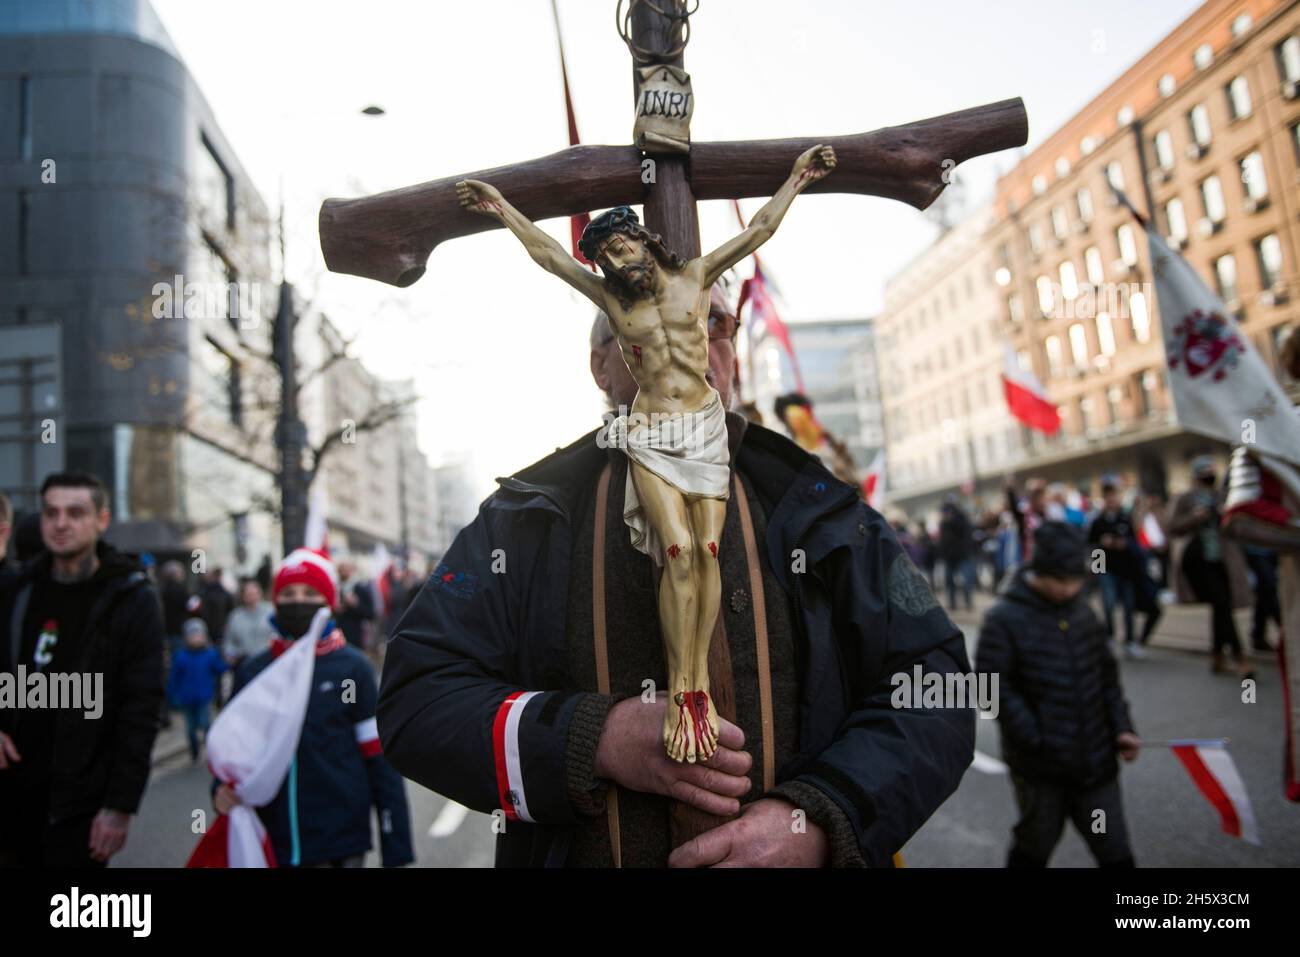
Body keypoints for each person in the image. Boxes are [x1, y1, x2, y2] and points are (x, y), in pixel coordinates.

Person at [378, 289, 975, 868]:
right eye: (648, 323)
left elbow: (937, 686)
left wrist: (820, 818)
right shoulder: (522, 520)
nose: (685, 343)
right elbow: (418, 697)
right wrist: (596, 737)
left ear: (733, 355)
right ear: (601, 365)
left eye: (711, 323)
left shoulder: (824, 511)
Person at [0, 471, 164, 867]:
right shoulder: (20, 588)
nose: (61, 524)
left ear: (101, 520)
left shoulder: (130, 599)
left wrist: (120, 806)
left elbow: (140, 709)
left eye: (75, 513)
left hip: (81, 807)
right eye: (51, 513)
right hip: (12, 800)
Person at [213, 549, 413, 868]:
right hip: (271, 839)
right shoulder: (254, 671)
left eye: (310, 593)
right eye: (289, 593)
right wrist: (219, 790)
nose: (298, 601)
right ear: (275, 601)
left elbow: (379, 759)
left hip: (341, 841)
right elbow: (232, 750)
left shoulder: (353, 668)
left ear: (329, 601)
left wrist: (396, 845)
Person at [976, 522, 1141, 867]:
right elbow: (992, 689)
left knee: (1115, 851)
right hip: (1041, 771)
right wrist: (1038, 739)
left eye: (1076, 580)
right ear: (1039, 572)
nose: (1070, 589)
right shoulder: (1003, 619)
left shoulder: (1083, 613)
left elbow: (1108, 679)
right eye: (1061, 581)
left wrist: (1122, 727)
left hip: (1095, 764)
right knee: (1034, 847)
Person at [1169, 456, 1252, 677]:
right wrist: (1195, 518)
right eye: (1205, 471)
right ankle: (1240, 656)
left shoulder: (1221, 496)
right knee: (1222, 603)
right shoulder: (1186, 498)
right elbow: (1172, 526)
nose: (1210, 475)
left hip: (1222, 559)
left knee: (1220, 607)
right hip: (1199, 561)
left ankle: (1217, 656)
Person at [1087, 480, 1145, 659]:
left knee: (1128, 606)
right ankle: (1110, 638)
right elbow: (1091, 546)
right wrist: (1098, 564)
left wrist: (1124, 544)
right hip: (1106, 569)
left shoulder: (1126, 518)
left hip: (1125, 569)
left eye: (1115, 497)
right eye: (1109, 497)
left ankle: (1130, 641)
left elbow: (1137, 543)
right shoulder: (1097, 521)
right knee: (1109, 604)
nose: (1112, 500)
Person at [168, 618, 228, 762]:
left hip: (204, 696)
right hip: (186, 697)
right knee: (190, 728)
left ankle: (212, 750)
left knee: (205, 723)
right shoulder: (180, 656)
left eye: (198, 635)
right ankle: (194, 753)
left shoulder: (210, 654)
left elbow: (219, 669)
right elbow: (174, 677)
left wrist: (226, 662)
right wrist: (172, 695)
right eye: (192, 635)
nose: (195, 638)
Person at [222, 577, 275, 675]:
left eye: (254, 593)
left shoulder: (271, 611)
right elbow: (229, 641)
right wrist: (231, 654)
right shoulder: (235, 616)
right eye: (248, 594)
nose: (251, 597)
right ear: (242, 596)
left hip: (268, 664)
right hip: (244, 665)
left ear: (260, 593)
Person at [938, 498, 974, 612]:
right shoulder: (944, 522)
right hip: (950, 556)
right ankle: (953, 603)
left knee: (966, 580)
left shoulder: (960, 518)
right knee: (950, 582)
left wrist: (951, 520)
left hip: (962, 555)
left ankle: (968, 603)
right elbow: (942, 539)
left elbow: (964, 533)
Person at [335, 559, 376, 650]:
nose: (343, 572)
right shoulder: (335, 588)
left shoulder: (361, 589)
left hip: (354, 638)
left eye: (346, 569)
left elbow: (371, 614)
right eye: (341, 570)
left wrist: (356, 605)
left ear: (352, 570)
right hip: (337, 636)